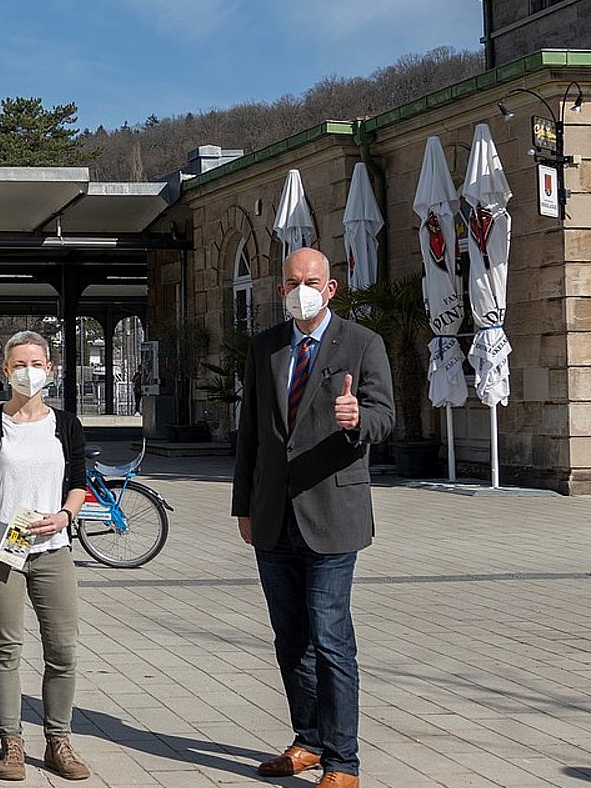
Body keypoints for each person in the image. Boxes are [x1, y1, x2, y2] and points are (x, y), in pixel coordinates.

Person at [233, 247, 394, 788]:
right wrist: (243, 504)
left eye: (313, 280)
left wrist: (357, 419)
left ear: (331, 288)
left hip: (332, 514)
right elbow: (251, 434)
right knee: (289, 638)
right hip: (273, 516)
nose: (302, 288)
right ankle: (307, 740)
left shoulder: (362, 344)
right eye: (293, 280)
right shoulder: (266, 348)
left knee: (330, 639)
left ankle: (342, 762)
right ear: (283, 289)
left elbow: (385, 417)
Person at [0, 330, 93, 782]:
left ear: (50, 370)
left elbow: (78, 482)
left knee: (62, 649)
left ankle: (58, 740)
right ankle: (11, 742)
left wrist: (64, 516)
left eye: (36, 363)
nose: (28, 372)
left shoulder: (67, 424)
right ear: (6, 371)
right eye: (19, 364)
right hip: (2, 551)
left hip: (52, 549)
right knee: (6, 648)